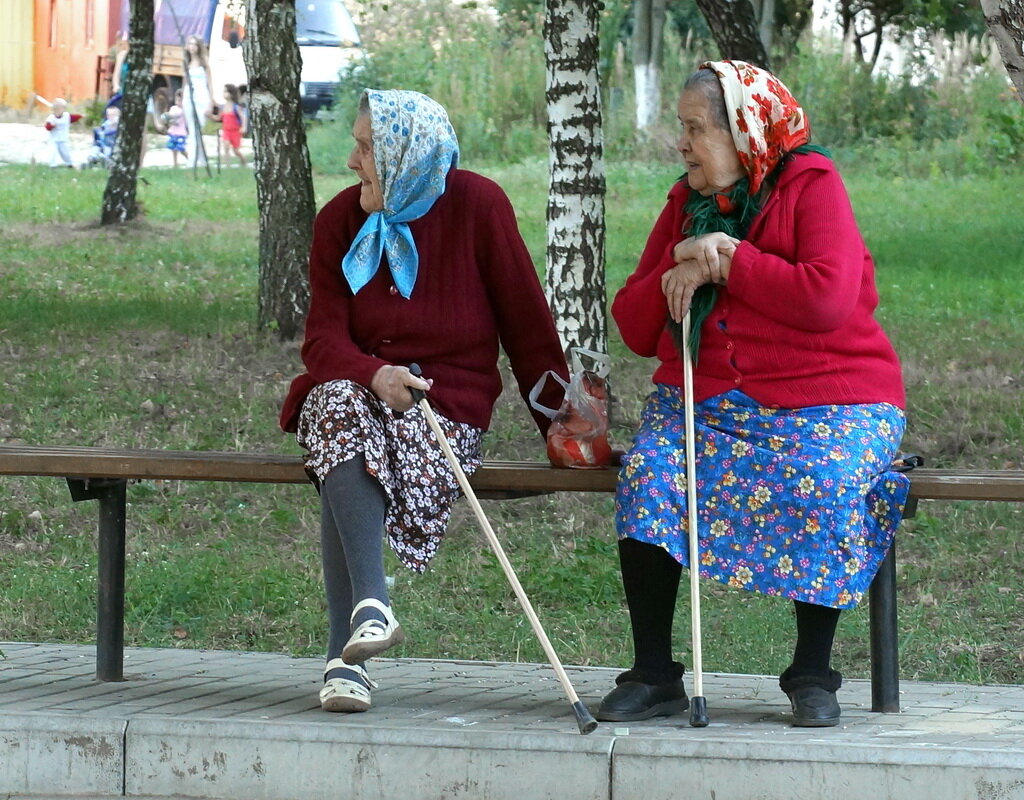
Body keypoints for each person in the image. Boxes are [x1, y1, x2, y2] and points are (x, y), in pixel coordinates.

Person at [597, 60, 910, 728]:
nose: (681, 144)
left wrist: (730, 258)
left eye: (694, 129)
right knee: (651, 473)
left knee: (825, 478)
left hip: (831, 396)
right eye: (681, 128)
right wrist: (668, 275)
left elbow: (826, 298)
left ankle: (812, 674)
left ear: (743, 132)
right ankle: (654, 673)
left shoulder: (812, 183)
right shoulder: (687, 200)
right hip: (708, 398)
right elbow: (630, 325)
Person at [279, 89, 569, 714]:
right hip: (356, 393)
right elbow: (323, 340)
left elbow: (527, 327)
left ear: (406, 155)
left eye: (364, 148)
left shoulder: (478, 206)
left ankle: (344, 658)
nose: (351, 161)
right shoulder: (339, 221)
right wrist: (371, 372)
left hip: (444, 406)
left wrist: (563, 423)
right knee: (337, 411)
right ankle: (372, 606)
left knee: (345, 447)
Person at [181, 35, 213, 168]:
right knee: (192, 129)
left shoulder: (204, 61)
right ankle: (199, 159)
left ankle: (193, 160)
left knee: (197, 127)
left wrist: (212, 101)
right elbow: (185, 83)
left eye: (195, 44)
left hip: (202, 96)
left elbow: (210, 83)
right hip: (189, 96)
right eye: (190, 44)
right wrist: (182, 98)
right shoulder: (186, 62)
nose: (192, 47)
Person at [214, 84, 247, 166]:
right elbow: (219, 118)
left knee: (236, 150)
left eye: (226, 91)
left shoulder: (236, 107)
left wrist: (244, 127)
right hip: (226, 131)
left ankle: (243, 160)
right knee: (226, 147)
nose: (224, 94)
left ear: (231, 93)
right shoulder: (222, 107)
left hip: (235, 132)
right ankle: (227, 165)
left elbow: (243, 117)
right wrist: (209, 116)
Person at [43, 98, 82, 168]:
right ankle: (53, 165)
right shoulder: (51, 118)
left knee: (66, 153)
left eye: (61, 108)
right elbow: (47, 127)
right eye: (57, 109)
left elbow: (73, 118)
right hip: (53, 140)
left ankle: (69, 164)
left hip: (63, 139)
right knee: (52, 153)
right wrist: (52, 126)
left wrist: (80, 116)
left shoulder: (67, 116)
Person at [164, 89, 188, 168]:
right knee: (173, 147)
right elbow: (170, 118)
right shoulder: (173, 108)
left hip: (181, 133)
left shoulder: (184, 110)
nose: (178, 102)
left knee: (181, 148)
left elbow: (181, 118)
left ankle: (189, 158)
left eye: (180, 100)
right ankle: (175, 163)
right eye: (177, 99)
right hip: (173, 131)